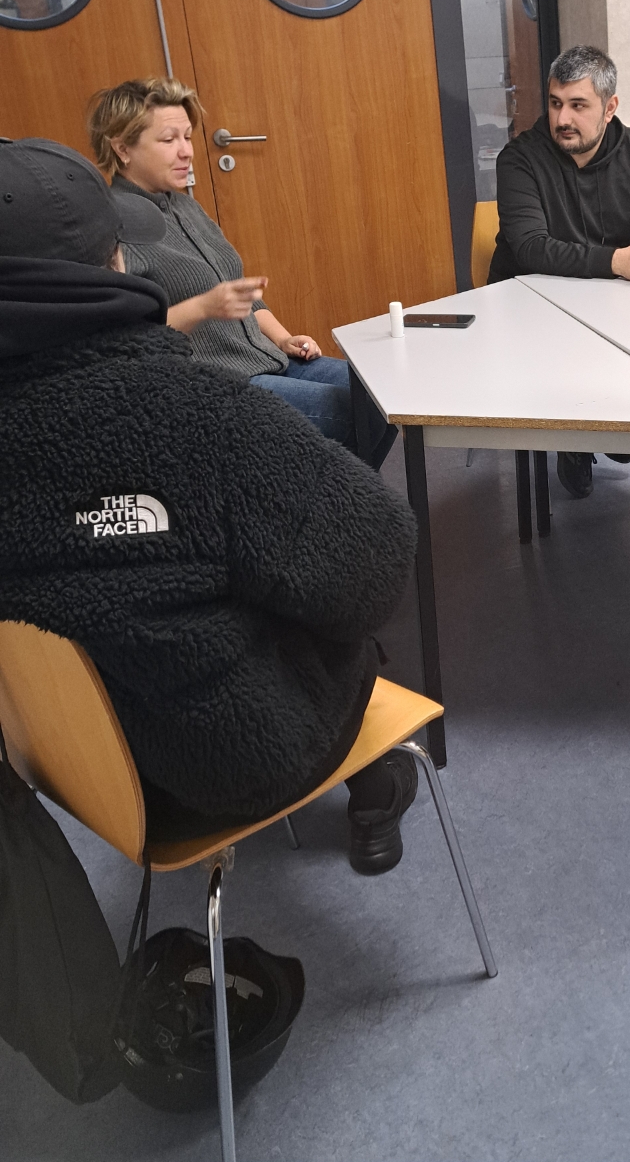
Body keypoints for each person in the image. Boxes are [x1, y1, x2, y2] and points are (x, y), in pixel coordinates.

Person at [0, 137, 420, 873]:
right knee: (326, 587)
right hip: (231, 770)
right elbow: (377, 566)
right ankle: (378, 784)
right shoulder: (199, 418)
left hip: (69, 771)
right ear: (116, 264)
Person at [87, 78, 395, 467]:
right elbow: (126, 339)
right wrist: (202, 307)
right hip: (218, 383)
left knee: (385, 395)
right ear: (122, 148)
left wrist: (283, 338)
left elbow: (239, 294)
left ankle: (336, 493)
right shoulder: (116, 227)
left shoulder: (185, 207)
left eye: (187, 137)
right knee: (357, 415)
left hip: (268, 358)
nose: (186, 151)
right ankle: (335, 493)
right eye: (168, 140)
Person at [489, 45, 630, 497]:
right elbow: (530, 249)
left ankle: (609, 424)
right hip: (533, 313)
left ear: (610, 108)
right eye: (554, 103)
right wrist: (618, 262)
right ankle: (576, 437)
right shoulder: (519, 158)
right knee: (577, 365)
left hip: (610, 308)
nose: (562, 118)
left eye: (578, 105)